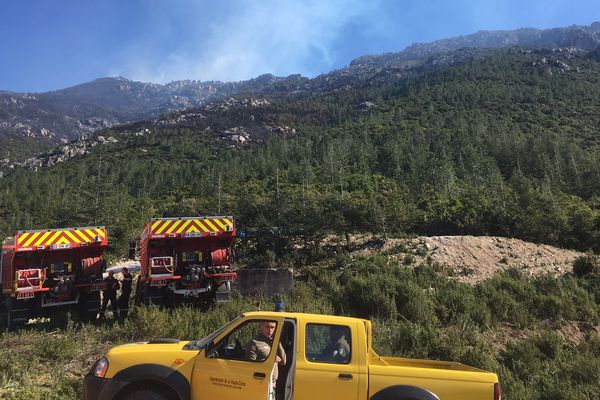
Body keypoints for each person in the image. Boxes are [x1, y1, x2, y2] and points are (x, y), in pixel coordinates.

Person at [245, 321, 286, 399]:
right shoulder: (254, 343)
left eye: (272, 327)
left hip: (273, 384)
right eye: (267, 327)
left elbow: (283, 362)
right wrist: (270, 361)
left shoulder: (273, 341)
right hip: (261, 385)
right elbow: (250, 368)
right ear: (261, 326)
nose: (270, 330)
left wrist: (277, 341)